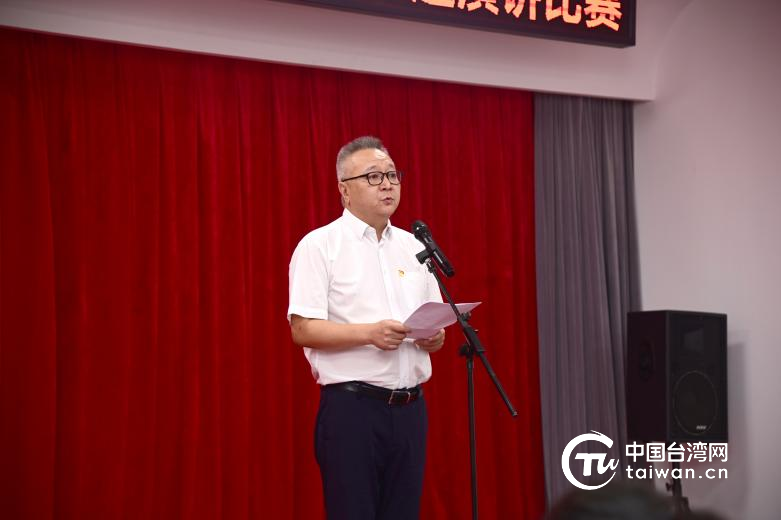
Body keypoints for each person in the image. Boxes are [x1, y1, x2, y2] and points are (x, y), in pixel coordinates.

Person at [287, 136, 446, 520]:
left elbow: (434, 321)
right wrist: (369, 334)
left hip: (410, 410)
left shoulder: (413, 247)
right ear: (344, 190)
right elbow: (303, 329)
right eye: (373, 176)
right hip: (353, 411)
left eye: (392, 175)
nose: (387, 184)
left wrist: (434, 337)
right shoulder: (320, 246)